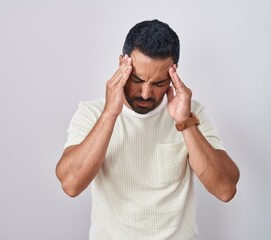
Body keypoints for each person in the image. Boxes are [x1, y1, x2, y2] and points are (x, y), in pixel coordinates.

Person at [55, 19, 240, 240]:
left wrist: (185, 123)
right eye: (137, 79)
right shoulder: (92, 113)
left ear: (173, 74)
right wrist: (109, 114)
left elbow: (226, 189)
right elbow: (71, 184)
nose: (145, 93)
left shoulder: (192, 114)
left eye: (159, 83)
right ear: (122, 64)